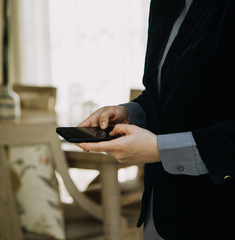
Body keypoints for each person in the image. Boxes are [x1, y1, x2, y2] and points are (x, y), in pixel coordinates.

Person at [76, 0, 235, 239]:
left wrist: (161, 150)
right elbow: (167, 94)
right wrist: (131, 113)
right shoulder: (165, 4)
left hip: (218, 217)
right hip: (160, 213)